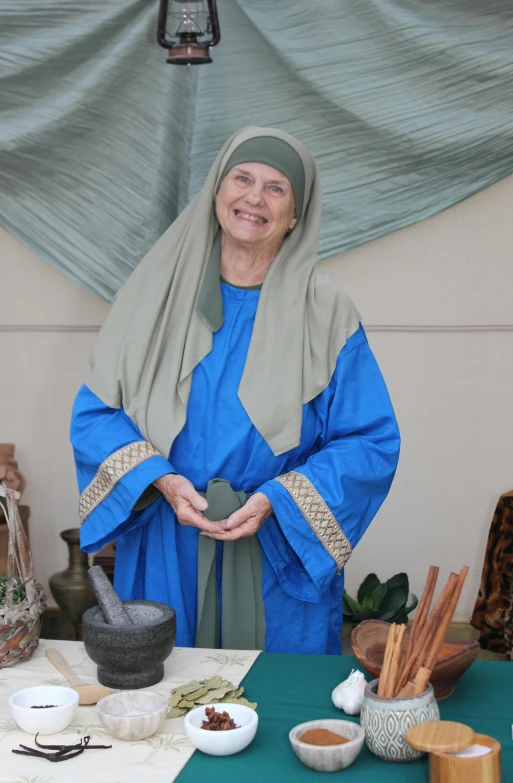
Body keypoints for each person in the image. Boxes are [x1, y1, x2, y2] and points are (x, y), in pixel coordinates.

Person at [71, 126, 400, 655]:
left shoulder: (327, 312)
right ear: (216, 193)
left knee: (275, 710)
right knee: (165, 709)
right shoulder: (154, 296)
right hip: (166, 541)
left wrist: (278, 499)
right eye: (242, 178)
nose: (254, 197)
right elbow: (96, 415)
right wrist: (163, 480)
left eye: (276, 188)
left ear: (296, 213)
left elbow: (369, 441)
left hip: (276, 549)